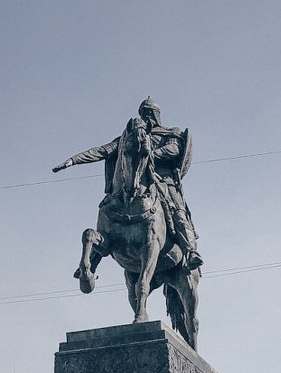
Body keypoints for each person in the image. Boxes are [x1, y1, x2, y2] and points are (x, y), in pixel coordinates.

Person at [53, 97, 202, 269]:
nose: (146, 117)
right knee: (109, 206)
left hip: (164, 181)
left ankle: (190, 251)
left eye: (149, 113)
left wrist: (149, 152)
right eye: (143, 113)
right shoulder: (130, 138)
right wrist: (72, 160)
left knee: (178, 212)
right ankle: (92, 260)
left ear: (156, 114)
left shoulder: (170, 133)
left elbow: (173, 150)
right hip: (136, 180)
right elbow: (102, 151)